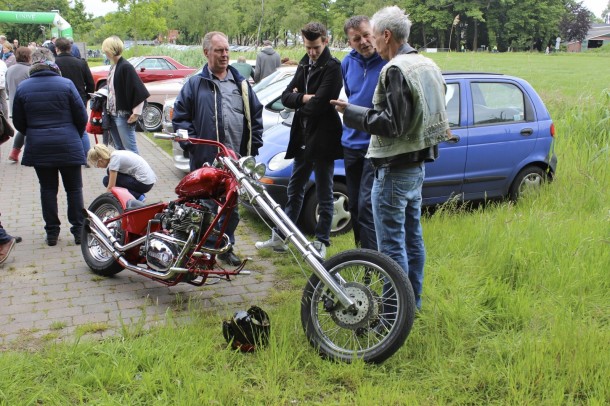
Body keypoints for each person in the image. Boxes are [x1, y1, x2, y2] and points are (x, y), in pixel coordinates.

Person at [331, 6, 450, 309]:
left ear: (386, 35)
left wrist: (352, 115)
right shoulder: (428, 64)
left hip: (393, 170)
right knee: (413, 240)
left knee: (391, 247)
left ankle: (392, 313)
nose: (374, 45)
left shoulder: (395, 69)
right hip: (416, 167)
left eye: (374, 37)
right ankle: (414, 304)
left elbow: (392, 124)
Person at [172, 31, 263, 266]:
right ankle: (202, 251)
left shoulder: (241, 84)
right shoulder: (195, 84)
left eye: (226, 50)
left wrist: (254, 146)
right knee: (205, 209)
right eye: (219, 51)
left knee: (231, 210)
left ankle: (225, 246)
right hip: (206, 162)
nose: (224, 55)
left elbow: (255, 115)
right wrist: (190, 144)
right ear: (206, 53)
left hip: (234, 161)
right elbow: (180, 119)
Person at [255, 22, 343, 259]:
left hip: (323, 139)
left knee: (325, 192)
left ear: (325, 41)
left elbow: (321, 103)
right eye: (308, 47)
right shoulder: (304, 63)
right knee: (295, 190)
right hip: (303, 137)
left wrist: (301, 101)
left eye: (315, 47)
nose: (312, 52)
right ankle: (281, 238)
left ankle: (322, 241)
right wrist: (304, 97)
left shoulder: (333, 67)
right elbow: (285, 97)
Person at [12, 47, 88, 246]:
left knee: (47, 189)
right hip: (68, 143)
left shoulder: (23, 88)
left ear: (33, 64)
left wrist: (34, 133)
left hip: (39, 145)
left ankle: (52, 233)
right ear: (52, 62)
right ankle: (79, 231)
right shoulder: (67, 84)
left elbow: (19, 123)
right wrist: (75, 135)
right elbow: (82, 116)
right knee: (74, 189)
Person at [340, 15, 386, 250]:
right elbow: (351, 95)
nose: (364, 41)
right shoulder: (347, 63)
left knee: (368, 206)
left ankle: (374, 262)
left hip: (374, 145)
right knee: (355, 206)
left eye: (367, 35)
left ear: (375, 33)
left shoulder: (387, 62)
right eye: (356, 38)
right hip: (350, 144)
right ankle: (362, 254)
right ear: (350, 42)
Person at [101, 36, 149, 153]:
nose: (104, 52)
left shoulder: (125, 67)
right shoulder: (115, 66)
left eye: (105, 49)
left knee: (130, 150)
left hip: (122, 115)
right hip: (112, 114)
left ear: (110, 49)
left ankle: (136, 171)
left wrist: (136, 113)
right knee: (119, 149)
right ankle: (124, 172)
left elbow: (138, 90)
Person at [54, 37, 95, 162]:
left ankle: (65, 155)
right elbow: (91, 84)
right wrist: (86, 97)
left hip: (59, 101)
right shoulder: (81, 63)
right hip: (80, 99)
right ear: (70, 48)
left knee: (61, 127)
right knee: (81, 129)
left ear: (56, 49)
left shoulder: (53, 63)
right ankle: (87, 157)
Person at [87, 143, 156, 201]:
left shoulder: (114, 161)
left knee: (106, 180)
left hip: (144, 184)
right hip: (148, 181)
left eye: (96, 165)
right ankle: (136, 193)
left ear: (100, 160)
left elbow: (111, 187)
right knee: (109, 172)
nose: (98, 167)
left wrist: (103, 201)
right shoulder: (115, 154)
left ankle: (138, 196)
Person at [5, 46, 32, 163]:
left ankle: (14, 152)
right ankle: (28, 154)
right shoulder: (30, 70)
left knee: (22, 128)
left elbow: (7, 89)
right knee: (29, 129)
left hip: (13, 104)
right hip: (27, 104)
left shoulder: (10, 69)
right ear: (28, 56)